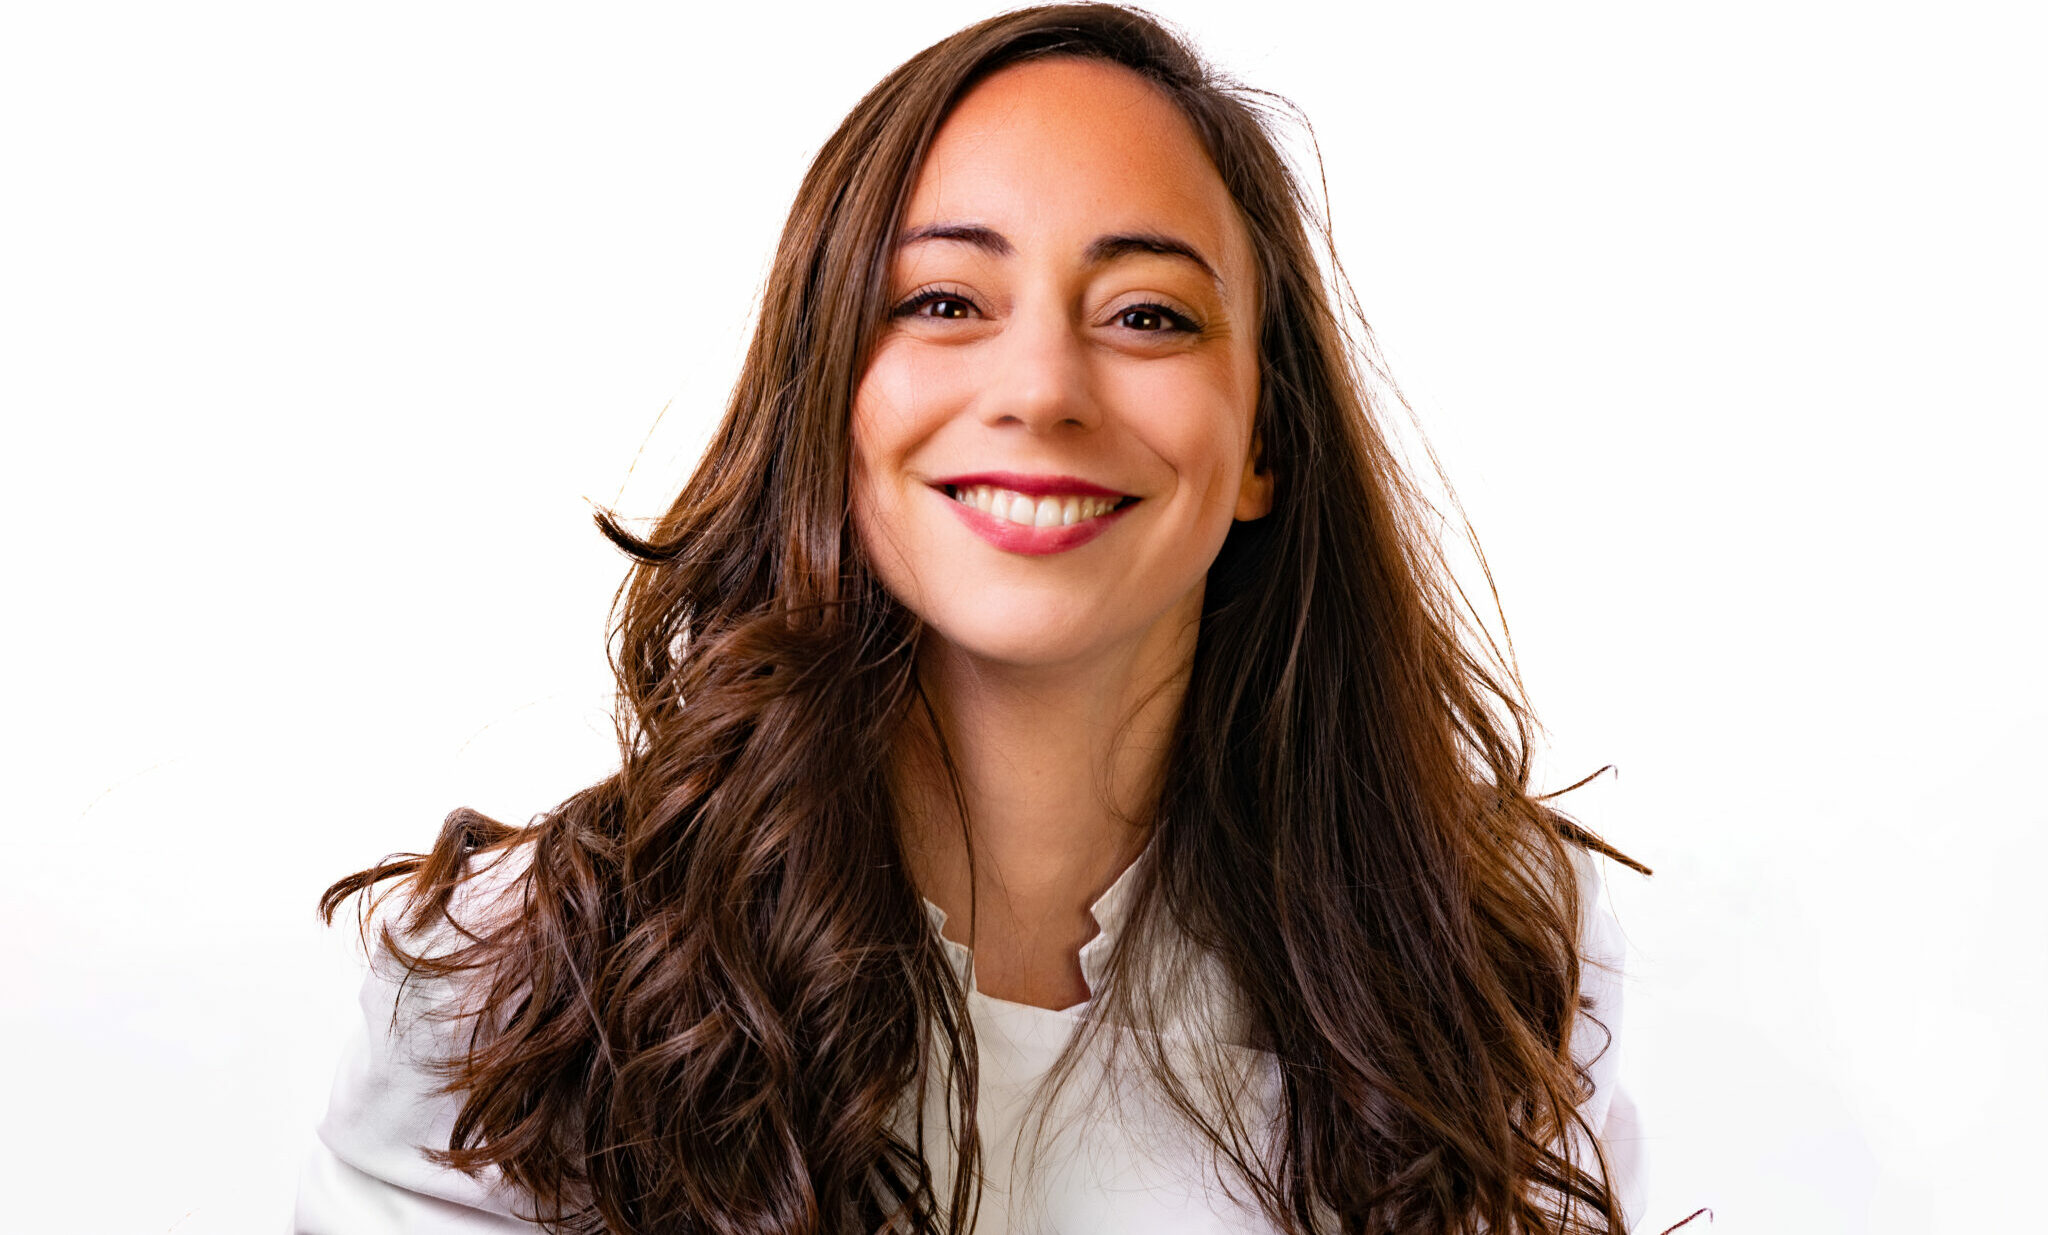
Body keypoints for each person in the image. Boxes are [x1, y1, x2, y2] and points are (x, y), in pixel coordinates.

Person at [293, 5, 1647, 1233]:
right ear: (828, 399)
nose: (1042, 388)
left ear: (1260, 443)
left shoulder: (1480, 951)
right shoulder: (514, 983)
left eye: (1148, 314)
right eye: (943, 302)